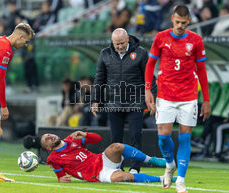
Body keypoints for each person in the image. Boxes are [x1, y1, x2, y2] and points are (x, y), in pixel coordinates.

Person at [145, 5, 210, 193]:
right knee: (163, 138)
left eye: (184, 22)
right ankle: (169, 164)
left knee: (185, 138)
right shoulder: (160, 38)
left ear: (188, 21)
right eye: (177, 22)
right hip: (165, 95)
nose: (180, 25)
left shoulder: (196, 40)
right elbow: (150, 65)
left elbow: (202, 71)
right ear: (172, 19)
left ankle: (180, 181)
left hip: (188, 96)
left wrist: (206, 99)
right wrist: (148, 90)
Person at [91, 28, 157, 174]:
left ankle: (135, 168)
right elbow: (99, 79)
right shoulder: (105, 54)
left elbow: (150, 77)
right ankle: (117, 167)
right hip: (114, 103)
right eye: (116, 44)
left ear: (128, 39)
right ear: (112, 42)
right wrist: (95, 100)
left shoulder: (141, 53)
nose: (120, 46)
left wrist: (152, 98)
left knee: (135, 136)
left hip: (135, 102)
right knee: (115, 139)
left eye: (122, 43)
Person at [0, 23, 35, 182]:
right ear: (20, 36)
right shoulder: (6, 49)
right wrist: (3, 105)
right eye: (26, 41)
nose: (25, 45)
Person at [41, 131, 171, 183]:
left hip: (101, 159)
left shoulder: (72, 139)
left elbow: (98, 139)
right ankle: (163, 179)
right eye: (46, 139)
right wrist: (62, 179)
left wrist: (85, 134)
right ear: (48, 148)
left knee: (116, 146)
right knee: (122, 177)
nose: (50, 136)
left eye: (49, 134)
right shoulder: (52, 159)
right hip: (97, 174)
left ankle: (151, 160)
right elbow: (61, 177)